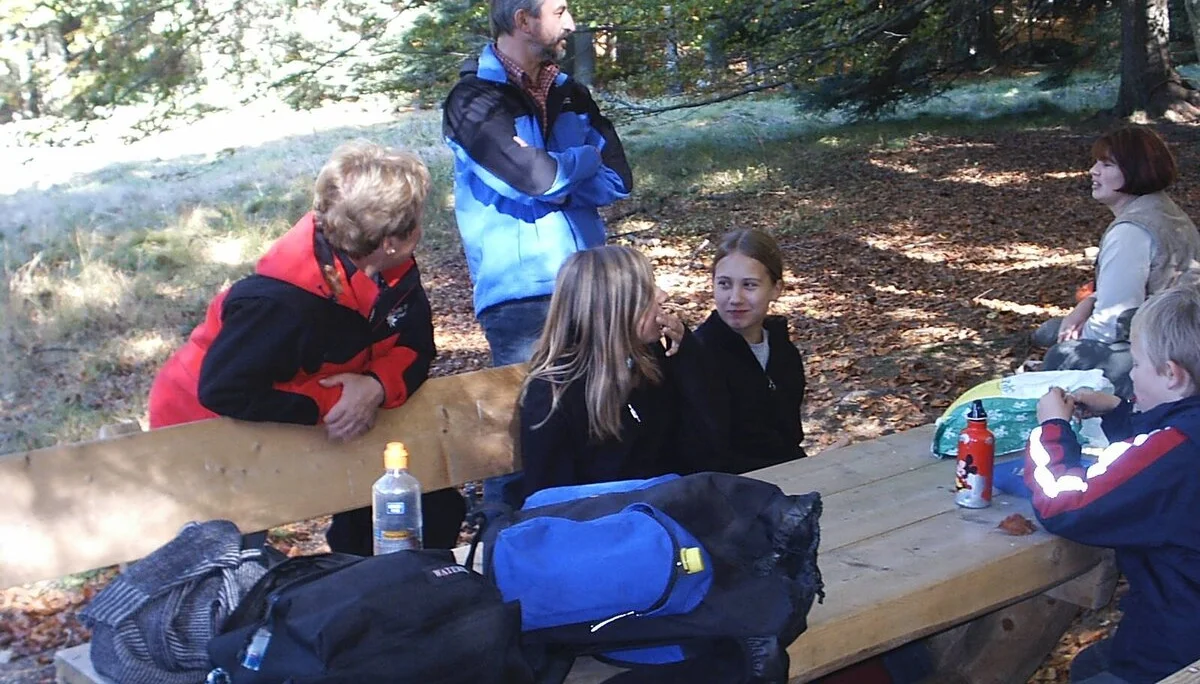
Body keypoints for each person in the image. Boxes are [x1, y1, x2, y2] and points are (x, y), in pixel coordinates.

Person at [148, 140, 465, 555]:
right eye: (418, 219)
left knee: (431, 504)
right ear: (392, 240)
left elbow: (416, 347)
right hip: (203, 425)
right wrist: (337, 402)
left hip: (330, 419)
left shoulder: (394, 271)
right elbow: (225, 388)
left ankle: (392, 598)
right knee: (228, 559)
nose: (422, 227)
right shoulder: (281, 300)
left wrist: (375, 387)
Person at [442, 0, 633, 368]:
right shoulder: (471, 101)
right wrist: (585, 159)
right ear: (523, 21)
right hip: (523, 300)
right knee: (539, 417)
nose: (572, 24)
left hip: (594, 283)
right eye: (560, 12)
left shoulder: (572, 94)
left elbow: (619, 180)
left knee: (614, 413)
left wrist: (555, 185)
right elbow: (536, 179)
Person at [1026, 285, 1200, 683]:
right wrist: (1121, 414)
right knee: (1091, 663)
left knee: (1095, 671)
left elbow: (1065, 503)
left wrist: (1051, 428)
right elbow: (1154, 465)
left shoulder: (1178, 448)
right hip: (1180, 625)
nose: (1132, 374)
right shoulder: (1181, 440)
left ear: (1172, 374)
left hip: (1178, 654)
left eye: (1137, 365)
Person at [516, 245, 725, 504]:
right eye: (648, 291)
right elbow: (552, 503)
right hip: (605, 531)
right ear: (613, 309)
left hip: (670, 511)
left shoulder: (651, 363)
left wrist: (688, 360)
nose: (662, 296)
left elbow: (705, 453)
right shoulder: (552, 394)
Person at [1033, 125, 1200, 398]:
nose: (1093, 171)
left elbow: (1112, 323)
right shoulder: (1164, 209)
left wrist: (1076, 339)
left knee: (1061, 354)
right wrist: (1086, 304)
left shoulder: (1131, 231)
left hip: (1170, 352)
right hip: (1181, 331)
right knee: (1050, 331)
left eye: (1107, 164)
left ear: (1136, 172)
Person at [695, 229, 807, 472]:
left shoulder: (783, 351)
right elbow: (707, 453)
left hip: (791, 473)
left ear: (776, 289)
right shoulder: (698, 356)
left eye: (749, 285)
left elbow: (789, 434)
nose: (735, 298)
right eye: (724, 284)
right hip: (731, 489)